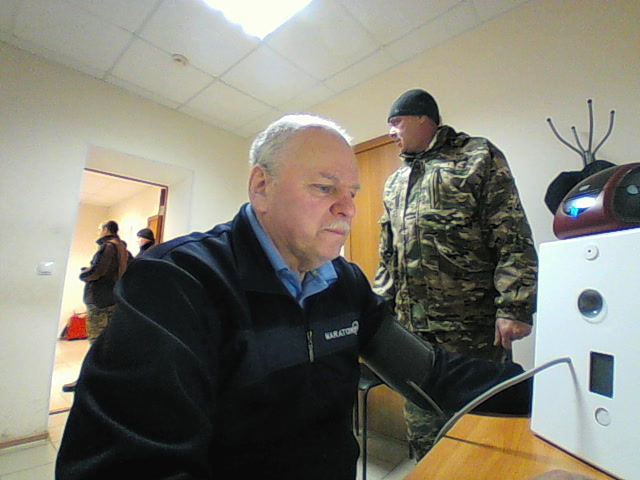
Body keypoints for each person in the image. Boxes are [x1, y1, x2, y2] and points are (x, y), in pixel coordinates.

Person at [56, 114, 532, 480]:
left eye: (352, 192)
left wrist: (549, 393)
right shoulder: (177, 281)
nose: (348, 208)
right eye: (325, 188)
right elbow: (126, 466)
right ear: (261, 187)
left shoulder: (345, 283)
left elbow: (428, 374)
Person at [374, 89, 539, 459]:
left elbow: (511, 233)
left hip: (473, 332)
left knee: (484, 430)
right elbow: (388, 254)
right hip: (415, 337)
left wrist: (515, 306)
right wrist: (378, 312)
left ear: (423, 118)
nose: (391, 131)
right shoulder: (395, 182)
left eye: (396, 122)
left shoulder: (477, 156)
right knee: (425, 434)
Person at [62, 220, 131, 393]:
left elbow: (98, 271)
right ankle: (106, 380)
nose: (98, 231)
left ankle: (89, 381)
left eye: (99, 228)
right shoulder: (122, 248)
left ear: (106, 229)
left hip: (100, 300)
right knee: (108, 343)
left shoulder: (108, 246)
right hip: (113, 299)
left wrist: (84, 273)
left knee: (95, 342)